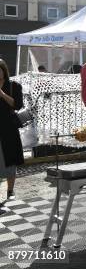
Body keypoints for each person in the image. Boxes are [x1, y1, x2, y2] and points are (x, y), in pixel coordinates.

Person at [0, 59, 24, 203]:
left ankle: (10, 190)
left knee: (10, 159)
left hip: (8, 127)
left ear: (4, 70)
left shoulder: (13, 86)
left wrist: (2, 94)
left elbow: (17, 105)